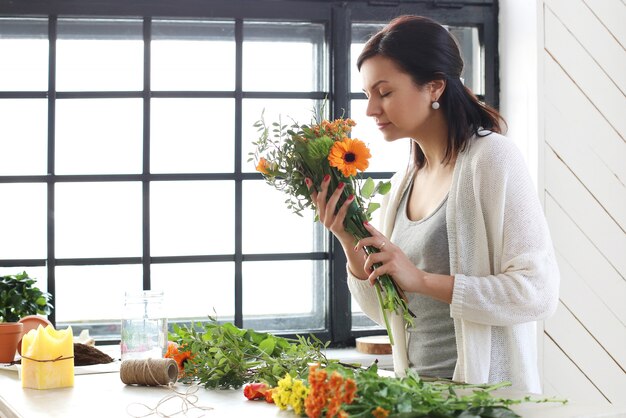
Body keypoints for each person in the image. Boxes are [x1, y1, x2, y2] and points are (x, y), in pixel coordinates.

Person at [306, 15, 559, 393]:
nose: (371, 109)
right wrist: (346, 238)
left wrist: (422, 280)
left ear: (434, 87)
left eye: (385, 92)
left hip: (484, 399)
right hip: (417, 396)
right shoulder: (404, 181)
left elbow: (537, 292)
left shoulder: (491, 159)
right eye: (367, 95)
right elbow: (391, 312)